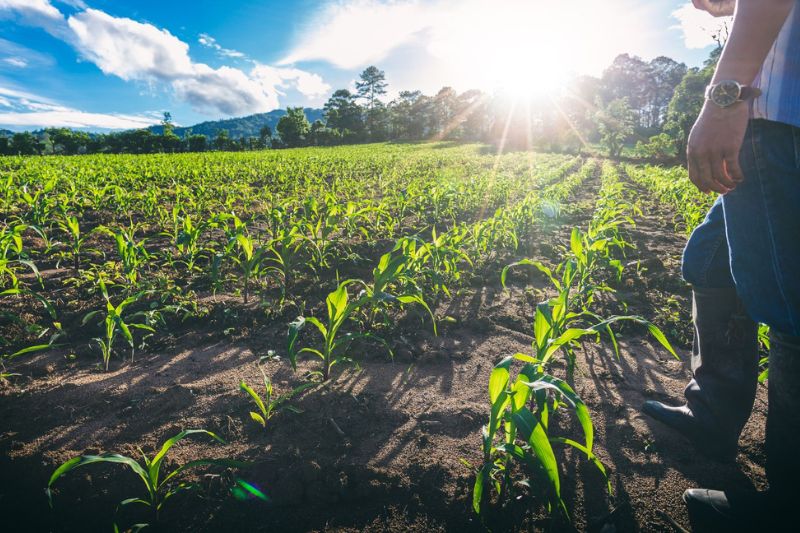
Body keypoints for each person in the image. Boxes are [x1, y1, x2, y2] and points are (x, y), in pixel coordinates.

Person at [640, 0, 800, 529]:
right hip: (770, 109)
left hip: (779, 113)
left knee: (789, 306)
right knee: (710, 261)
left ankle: (786, 507)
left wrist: (724, 97)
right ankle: (711, 414)